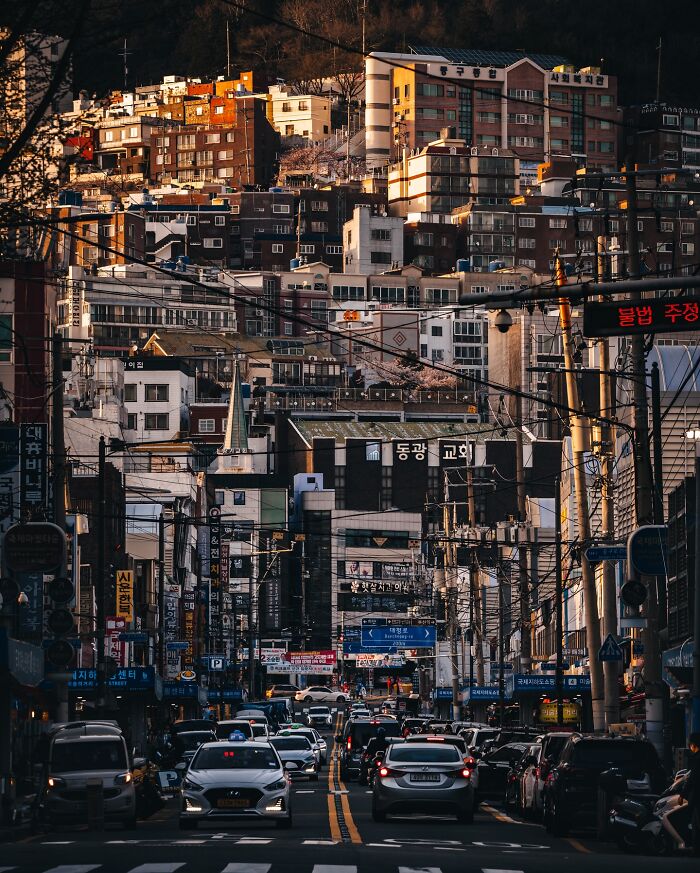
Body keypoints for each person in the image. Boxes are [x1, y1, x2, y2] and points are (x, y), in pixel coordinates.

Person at [679, 732, 700, 855]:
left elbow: (693, 779)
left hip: (698, 797)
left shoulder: (697, 759)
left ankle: (697, 850)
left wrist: (682, 794)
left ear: (693, 745)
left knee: (696, 824)